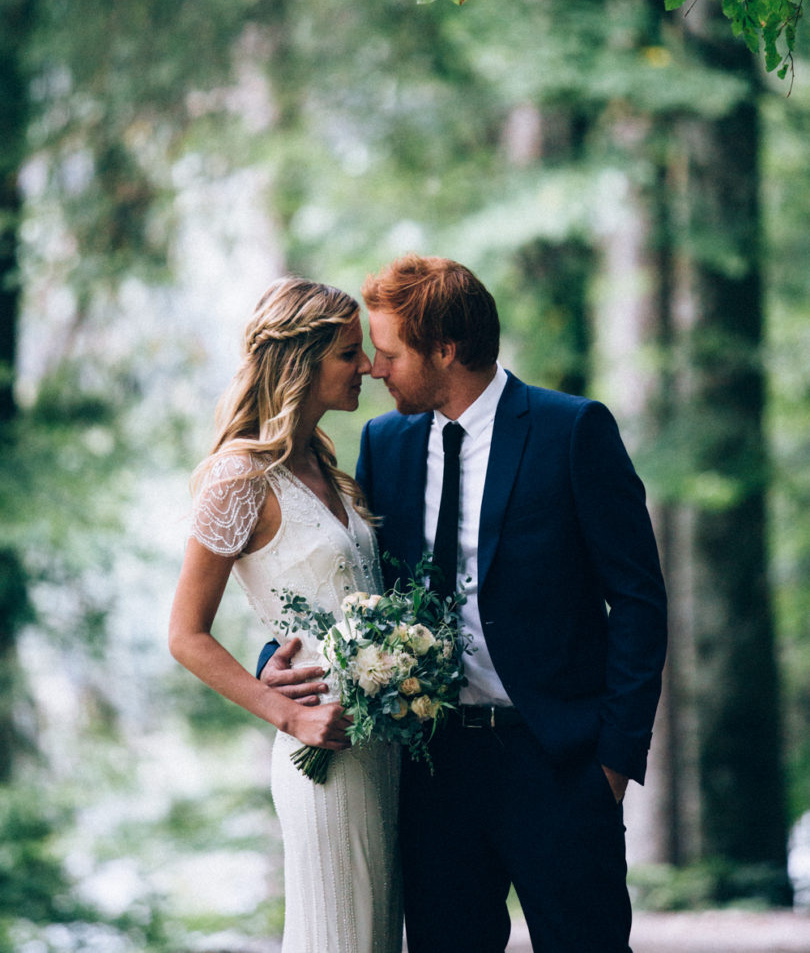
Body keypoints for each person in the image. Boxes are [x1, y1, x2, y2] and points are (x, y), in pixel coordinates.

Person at [261, 254, 668, 953]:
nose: (375, 369)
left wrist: (614, 759)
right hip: (432, 770)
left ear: (445, 350)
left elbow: (637, 599)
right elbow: (354, 586)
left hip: (560, 765)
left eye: (388, 353)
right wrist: (278, 658)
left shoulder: (572, 431)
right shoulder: (385, 444)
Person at [169, 277, 402, 953]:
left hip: (381, 749)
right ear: (299, 361)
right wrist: (288, 711)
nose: (367, 367)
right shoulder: (238, 478)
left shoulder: (326, 465)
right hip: (322, 750)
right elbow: (185, 634)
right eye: (349, 353)